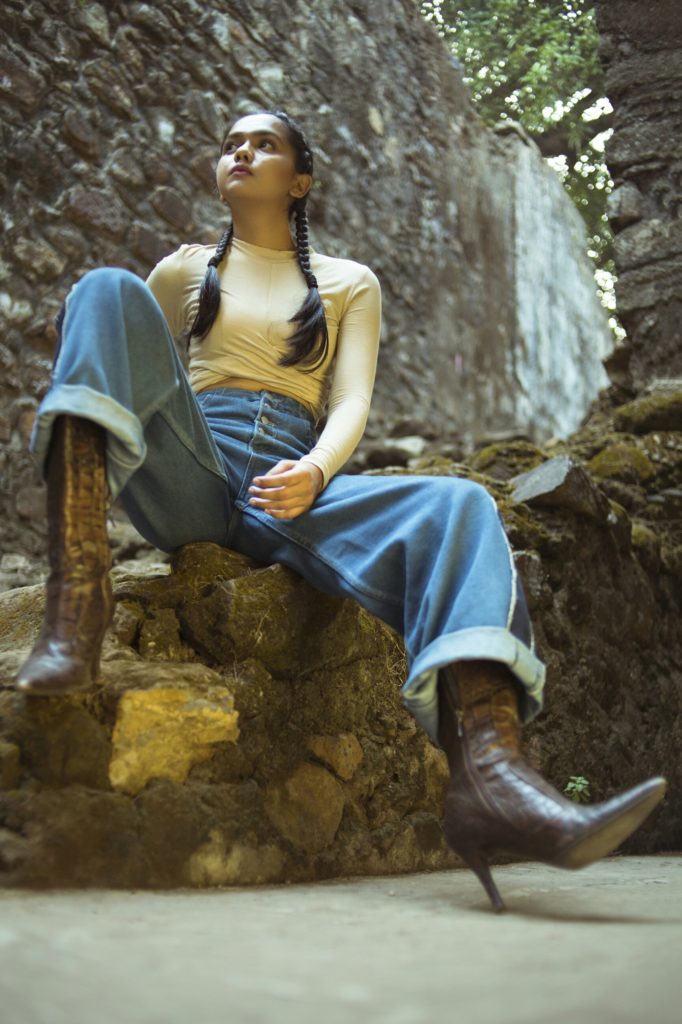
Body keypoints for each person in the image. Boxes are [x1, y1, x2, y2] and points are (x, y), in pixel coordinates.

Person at [15, 109, 666, 912]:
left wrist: (317, 470)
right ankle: (77, 602)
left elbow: (352, 399)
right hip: (190, 465)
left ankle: (492, 777)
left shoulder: (350, 282)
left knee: (461, 504)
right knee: (102, 290)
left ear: (300, 181)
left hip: (293, 477)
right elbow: (118, 362)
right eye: (230, 143)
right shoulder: (183, 272)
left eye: (264, 144)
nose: (241, 152)